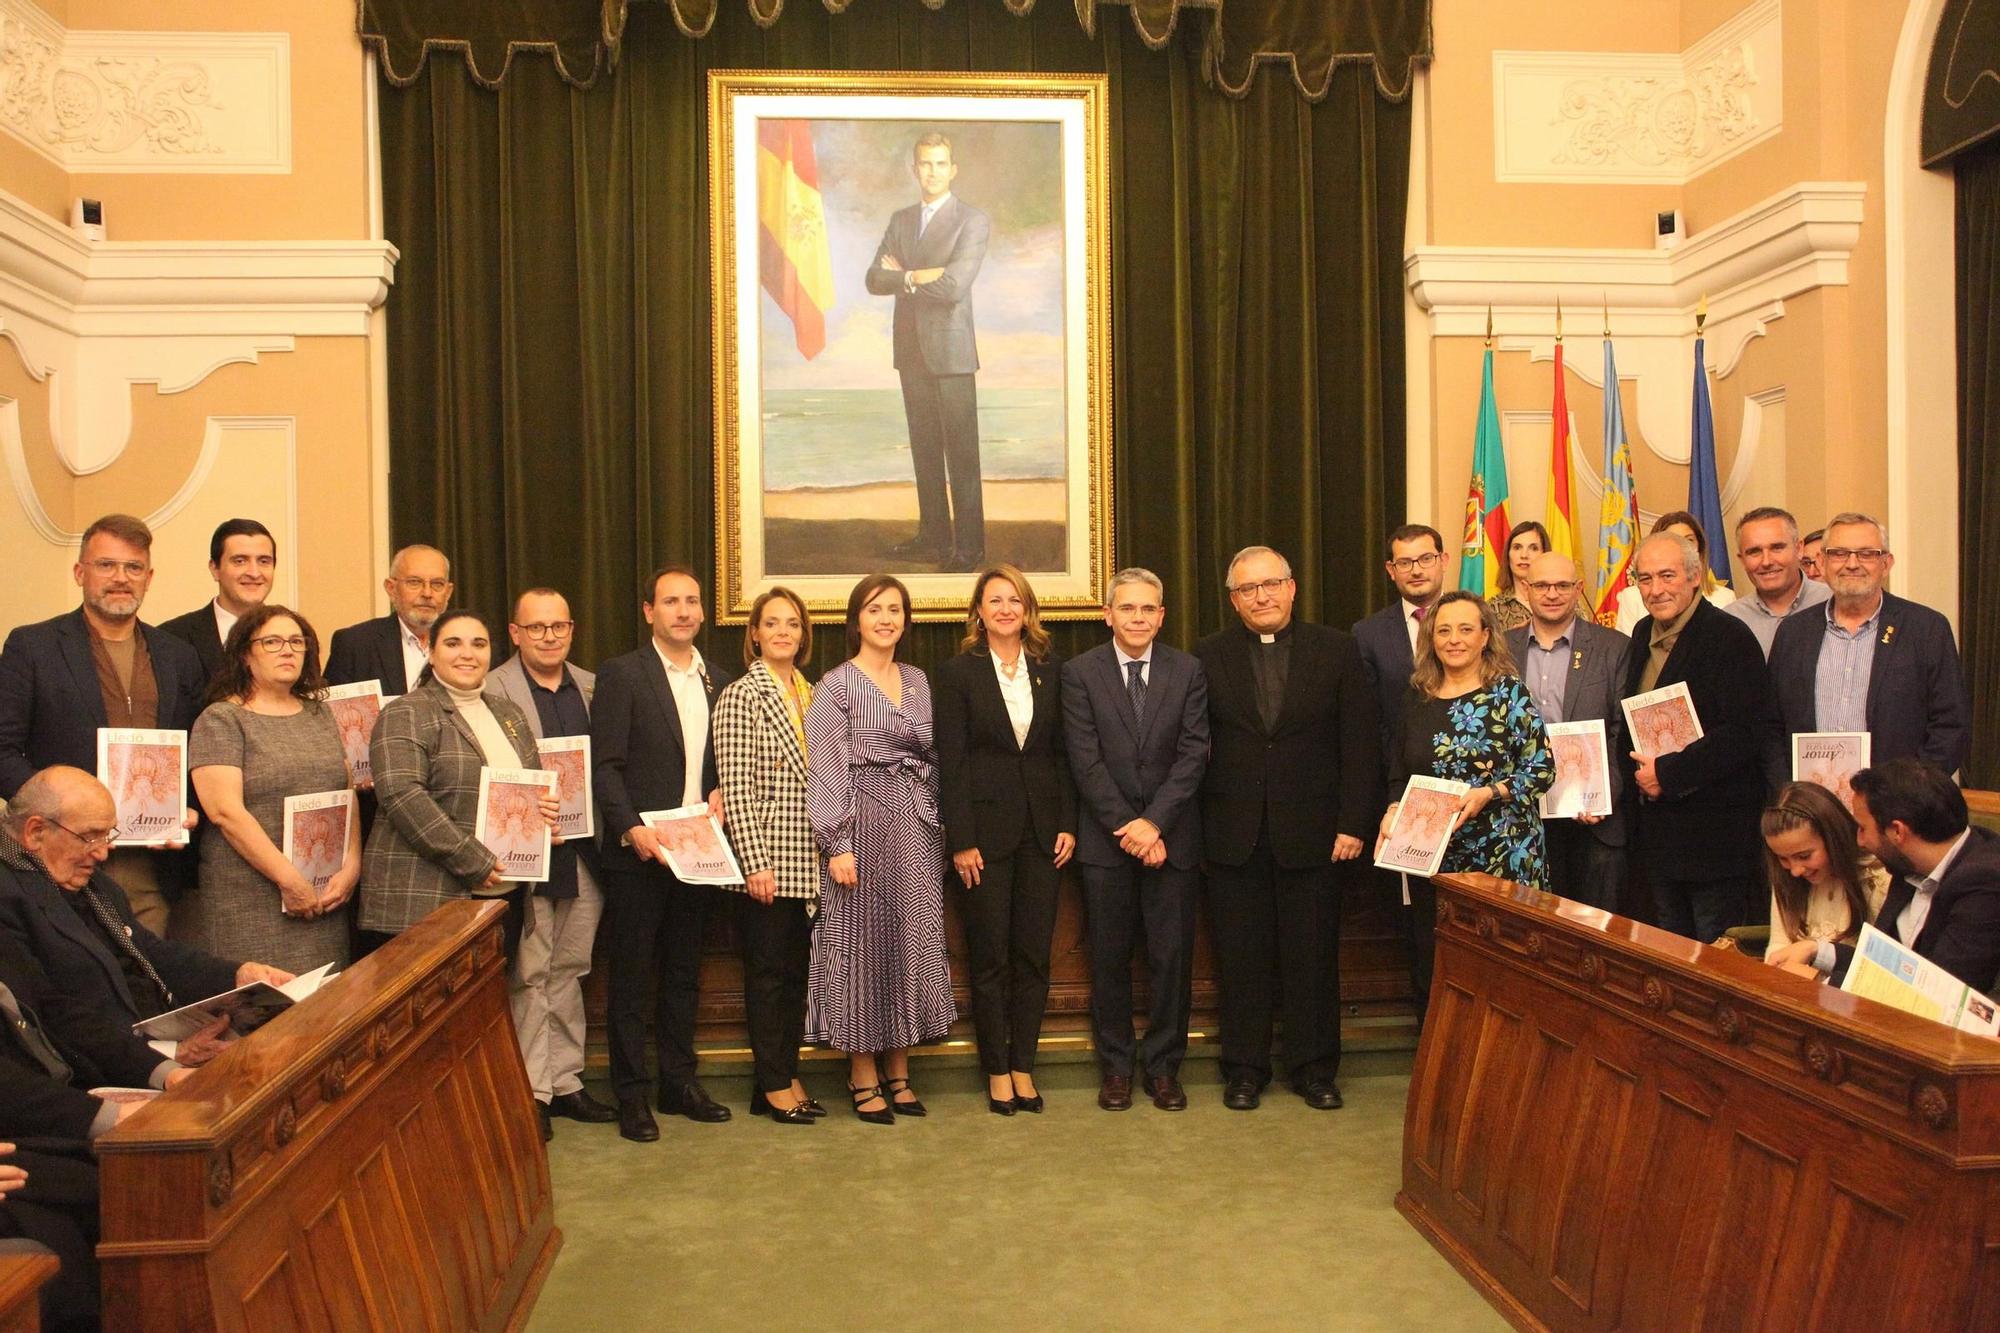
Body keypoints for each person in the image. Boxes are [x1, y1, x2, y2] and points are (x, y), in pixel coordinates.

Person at [1194, 546, 1377, 1112]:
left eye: (1271, 584)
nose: (1262, 596)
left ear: (1293, 587)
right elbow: (1194, 750)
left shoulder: (1338, 651)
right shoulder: (1206, 656)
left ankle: (1314, 1069)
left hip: (1317, 834)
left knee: (1313, 957)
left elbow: (1360, 744)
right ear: (1233, 601)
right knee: (1241, 959)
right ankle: (1245, 1070)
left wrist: (1352, 823)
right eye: (1249, 589)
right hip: (1233, 835)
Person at [0, 514, 205, 934]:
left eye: (133, 567)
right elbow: (3, 750)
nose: (120, 578)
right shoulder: (33, 646)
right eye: (106, 565)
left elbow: (195, 752)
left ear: (149, 577)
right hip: (55, 867)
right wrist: (60, 816)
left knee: (149, 988)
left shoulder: (178, 656)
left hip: (151, 871)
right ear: (80, 572)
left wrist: (186, 810)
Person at [591, 567, 737, 1141]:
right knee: (630, 979)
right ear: (649, 611)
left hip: (699, 853)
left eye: (692, 601)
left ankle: (679, 1082)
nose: (683, 610)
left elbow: (721, 760)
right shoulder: (623, 674)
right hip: (640, 855)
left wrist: (723, 789)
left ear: (702, 614)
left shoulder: (720, 682)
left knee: (683, 974)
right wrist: (630, 829)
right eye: (671, 601)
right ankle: (632, 1095)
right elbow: (605, 765)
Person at [805, 575, 954, 1123]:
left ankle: (900, 1070)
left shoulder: (917, 680)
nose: (886, 619)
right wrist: (836, 842)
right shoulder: (835, 684)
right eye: (875, 609)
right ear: (856, 620)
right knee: (863, 947)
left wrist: (933, 814)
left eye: (895, 609)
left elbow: (935, 755)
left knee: (910, 943)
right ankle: (862, 1073)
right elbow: (823, 766)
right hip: (860, 825)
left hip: (914, 825)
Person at [0, 767, 288, 1046]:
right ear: (35, 832)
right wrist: (167, 1057)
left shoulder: (94, 884)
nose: (102, 853)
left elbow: (147, 950)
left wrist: (237, 975)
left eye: (107, 835)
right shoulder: (10, 896)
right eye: (90, 836)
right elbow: (53, 1015)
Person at [1061, 568, 1208, 1112]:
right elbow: (1085, 761)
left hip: (1172, 843)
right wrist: (1131, 828)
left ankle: (1165, 1069)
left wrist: (1157, 825)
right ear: (1109, 614)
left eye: (1149, 609)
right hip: (1106, 845)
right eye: (1127, 609)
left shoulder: (1188, 670)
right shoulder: (1080, 674)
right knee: (1110, 960)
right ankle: (1117, 1069)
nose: (1138, 618)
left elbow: (1194, 754)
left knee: (1172, 962)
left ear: (1162, 616)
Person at [934, 565, 1076, 1115]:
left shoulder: (1052, 669)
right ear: (978, 611)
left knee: (1033, 958)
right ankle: (996, 1070)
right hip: (983, 841)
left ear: (1028, 609)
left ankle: (1024, 1068)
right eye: (995, 600)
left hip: (1045, 834)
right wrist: (961, 839)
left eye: (1014, 599)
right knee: (990, 959)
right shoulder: (956, 673)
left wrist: (1067, 822)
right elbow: (953, 761)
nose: (1005, 608)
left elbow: (1064, 753)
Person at [1380, 592, 1554, 1018]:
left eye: (1465, 629)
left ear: (1485, 637)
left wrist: (1489, 793)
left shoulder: (1508, 692)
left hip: (1503, 853)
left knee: (1501, 961)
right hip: (1432, 854)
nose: (1453, 639)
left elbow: (1542, 768)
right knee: (1435, 956)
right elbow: (1398, 768)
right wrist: (1391, 809)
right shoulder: (1417, 695)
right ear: (1430, 639)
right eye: (1443, 630)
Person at [486, 588, 616, 1139]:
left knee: (570, 968)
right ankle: (531, 1089)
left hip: (586, 852)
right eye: (536, 628)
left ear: (572, 629)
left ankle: (566, 1080)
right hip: (527, 851)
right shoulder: (491, 689)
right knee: (529, 973)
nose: (548, 637)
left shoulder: (591, 685)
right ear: (515, 633)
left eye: (558, 627)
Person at [358, 609, 552, 955]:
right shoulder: (406, 712)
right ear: (431, 653)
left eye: (479, 643)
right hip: (425, 904)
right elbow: (403, 797)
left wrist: (544, 813)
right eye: (453, 643)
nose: (468, 653)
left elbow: (529, 787)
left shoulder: (510, 714)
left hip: (506, 897)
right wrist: (473, 860)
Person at [1621, 531, 1780, 944]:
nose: (1656, 590)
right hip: (1658, 840)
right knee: (1669, 956)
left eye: (1667, 576)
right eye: (1645, 579)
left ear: (1694, 577)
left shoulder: (1730, 637)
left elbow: (1743, 734)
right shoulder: (1641, 634)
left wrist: (1669, 774)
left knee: (1714, 958)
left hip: (1715, 841)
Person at [181, 606, 356, 973]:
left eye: (297, 641)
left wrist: (352, 865)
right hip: (252, 899)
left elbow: (346, 792)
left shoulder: (321, 713)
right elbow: (225, 813)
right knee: (261, 1015)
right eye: (272, 642)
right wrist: (290, 881)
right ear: (245, 654)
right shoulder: (222, 719)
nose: (288, 650)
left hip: (325, 898)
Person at [712, 587, 825, 1125]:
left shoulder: (814, 692)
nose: (783, 631)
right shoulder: (740, 695)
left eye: (793, 624)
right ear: (754, 633)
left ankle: (781, 1076)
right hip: (770, 859)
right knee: (768, 974)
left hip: (812, 859)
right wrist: (754, 863)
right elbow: (735, 787)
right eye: (772, 623)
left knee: (797, 976)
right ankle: (775, 1082)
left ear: (804, 634)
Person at [863, 131, 991, 571]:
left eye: (940, 164)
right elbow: (873, 279)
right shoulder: (900, 220)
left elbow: (955, 286)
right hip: (911, 352)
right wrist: (919, 276)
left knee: (961, 454)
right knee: (924, 449)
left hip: (952, 355)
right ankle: (934, 537)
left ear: (952, 170)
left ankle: (969, 547)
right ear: (914, 168)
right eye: (925, 163)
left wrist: (904, 276)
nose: (932, 171)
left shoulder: (971, 220)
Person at [1768, 511, 1971, 777]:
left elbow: (1951, 726)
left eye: (1867, 554)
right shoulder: (1793, 633)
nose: (1852, 564)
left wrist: (1910, 794)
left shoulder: (1926, 629)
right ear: (1822, 562)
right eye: (1839, 553)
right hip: (1812, 806)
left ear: (1886, 564)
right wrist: (1789, 793)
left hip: (1895, 807)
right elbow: (1771, 726)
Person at [1504, 552, 1633, 912]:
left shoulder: (1614, 647)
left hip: (1592, 823)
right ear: (1526, 589)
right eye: (1542, 585)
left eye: (1562, 585)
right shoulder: (1498, 648)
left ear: (1578, 589)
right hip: (1522, 816)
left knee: (1595, 939)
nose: (1552, 593)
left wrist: (1604, 793)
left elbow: (1622, 732)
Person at [1815, 760, 2000, 993]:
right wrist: (1817, 952)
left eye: (1862, 828)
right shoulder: (1908, 865)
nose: (1859, 841)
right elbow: (1885, 963)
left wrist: (1818, 986)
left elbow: (1939, 992)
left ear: (1897, 832)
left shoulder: (1985, 883)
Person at [1758, 781, 1889, 980]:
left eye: (1804, 856)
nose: (1795, 871)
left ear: (1833, 840)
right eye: (1783, 858)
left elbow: (1882, 972)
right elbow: (1779, 944)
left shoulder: (1877, 880)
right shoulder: (1785, 878)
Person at [1353, 524, 1449, 763]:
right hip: (1397, 772)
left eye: (1426, 559)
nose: (1416, 571)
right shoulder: (1367, 634)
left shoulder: (1475, 621)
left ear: (1443, 561)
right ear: (1391, 570)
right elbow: (1368, 720)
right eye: (1405, 563)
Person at [158, 518, 278, 682]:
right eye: (240, 561)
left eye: (263, 561)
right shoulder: (171, 638)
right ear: (215, 569)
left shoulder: (295, 639)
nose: (254, 573)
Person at [325, 544, 456, 695]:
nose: (427, 593)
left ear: (448, 592)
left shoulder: (470, 647)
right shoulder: (355, 644)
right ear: (391, 588)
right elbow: (331, 714)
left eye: (437, 584)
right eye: (414, 582)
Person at [1723, 506, 1829, 657]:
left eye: (1777, 548)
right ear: (1742, 560)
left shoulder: (1832, 602)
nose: (1766, 561)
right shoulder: (1730, 621)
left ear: (1799, 549)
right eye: (1755, 552)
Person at [1612, 511, 1736, 635]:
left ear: (1700, 548)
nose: (1656, 591)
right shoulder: (1638, 616)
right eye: (1672, 540)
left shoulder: (1725, 599)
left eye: (1688, 541)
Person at [1488, 520, 1549, 634]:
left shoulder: (1563, 601)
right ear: (1508, 555)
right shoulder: (1492, 608)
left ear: (1544, 554)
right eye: (1517, 547)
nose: (1524, 555)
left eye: (1533, 548)